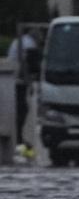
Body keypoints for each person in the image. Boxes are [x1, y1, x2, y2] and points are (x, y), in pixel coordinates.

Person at [7, 29, 39, 157]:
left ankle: (19, 140)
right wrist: (29, 82)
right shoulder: (30, 43)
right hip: (19, 81)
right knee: (22, 110)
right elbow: (25, 63)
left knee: (21, 109)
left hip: (13, 80)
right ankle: (19, 140)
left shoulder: (19, 41)